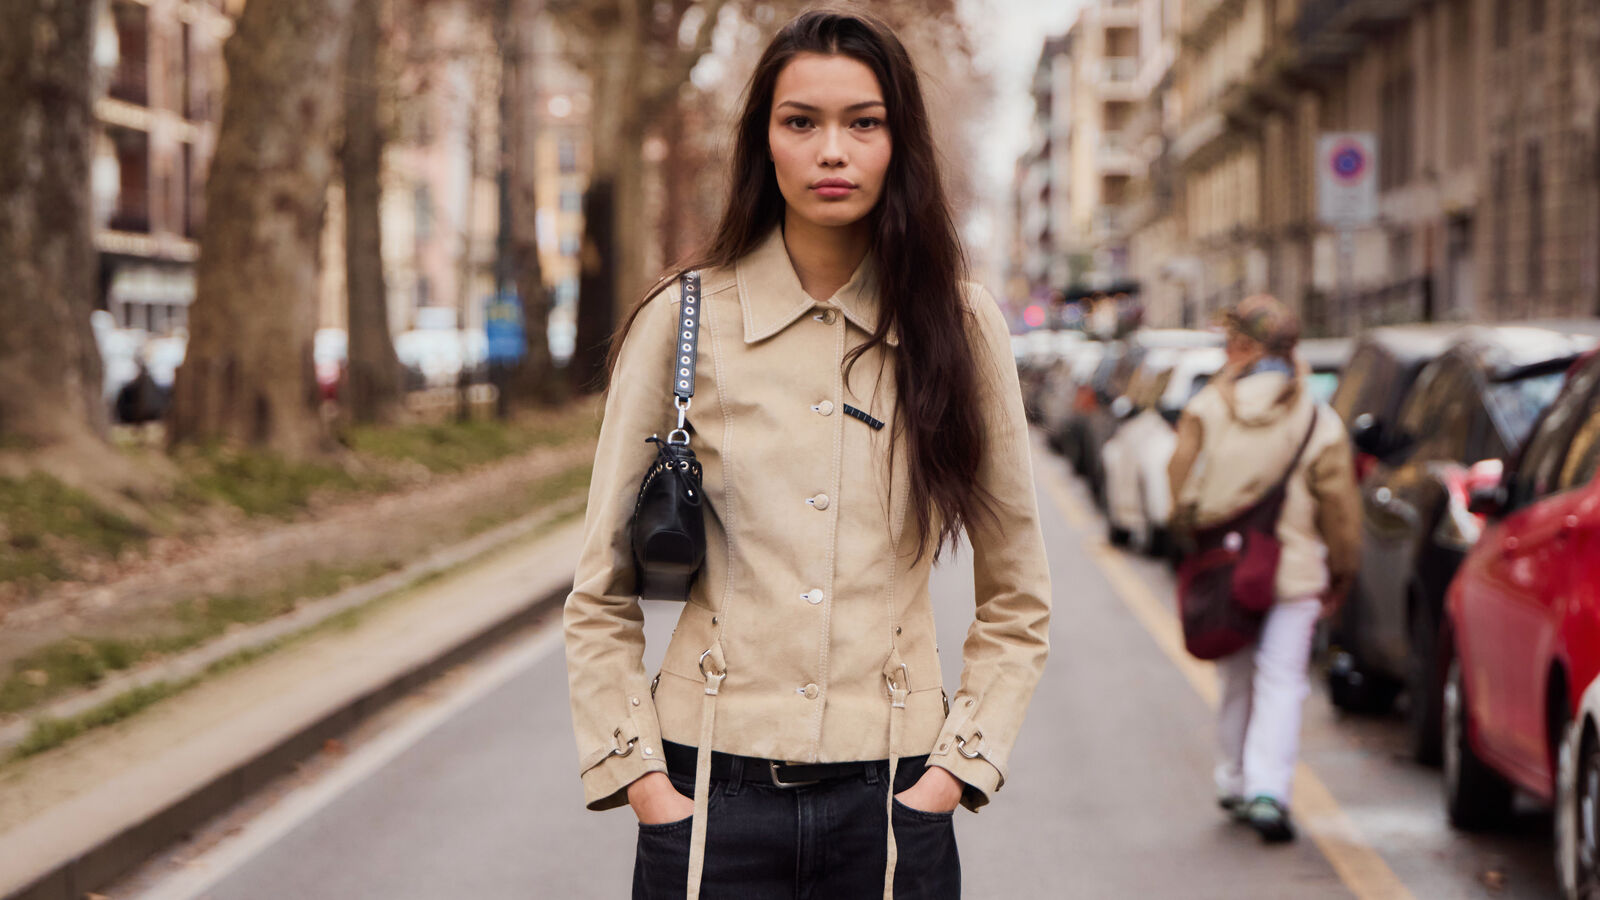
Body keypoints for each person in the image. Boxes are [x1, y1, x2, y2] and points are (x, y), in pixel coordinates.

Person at [562, 9, 1052, 899]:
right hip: (708, 797)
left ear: (899, 143)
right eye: (802, 122)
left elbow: (1018, 596)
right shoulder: (684, 321)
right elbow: (599, 592)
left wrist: (950, 779)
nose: (834, 150)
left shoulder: (960, 325)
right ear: (765, 143)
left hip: (895, 804)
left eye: (863, 122)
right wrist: (644, 783)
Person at [1166, 295, 1359, 843]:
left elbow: (1180, 489)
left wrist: (1194, 537)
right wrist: (1342, 572)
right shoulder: (1318, 417)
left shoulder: (1207, 407)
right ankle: (1268, 790)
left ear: (1248, 349)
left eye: (1230, 343)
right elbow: (1340, 508)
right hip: (1295, 571)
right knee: (1281, 681)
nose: (1224, 353)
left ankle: (1232, 780)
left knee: (1235, 679)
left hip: (1229, 567)